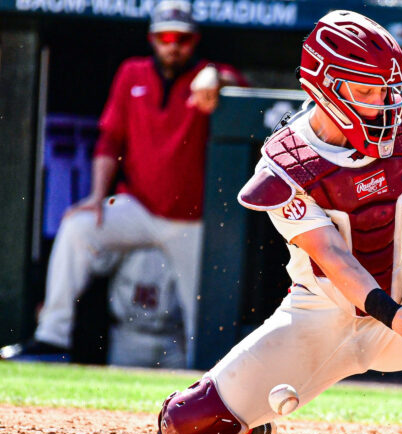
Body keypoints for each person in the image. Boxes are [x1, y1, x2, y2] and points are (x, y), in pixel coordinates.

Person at [155, 11, 402, 434]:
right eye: (367, 90)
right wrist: (392, 314)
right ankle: (254, 423)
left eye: (387, 89)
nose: (383, 103)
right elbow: (333, 256)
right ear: (326, 88)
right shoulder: (282, 164)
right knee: (183, 426)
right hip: (320, 316)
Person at [0, 0, 244, 364]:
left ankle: (213, 378)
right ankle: (51, 340)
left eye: (181, 38)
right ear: (152, 39)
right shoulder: (132, 72)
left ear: (194, 42)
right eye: (165, 36)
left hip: (191, 220)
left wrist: (217, 78)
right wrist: (97, 196)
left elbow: (242, 87)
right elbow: (110, 138)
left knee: (206, 325)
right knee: (78, 227)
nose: (173, 44)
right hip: (137, 205)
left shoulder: (212, 75)